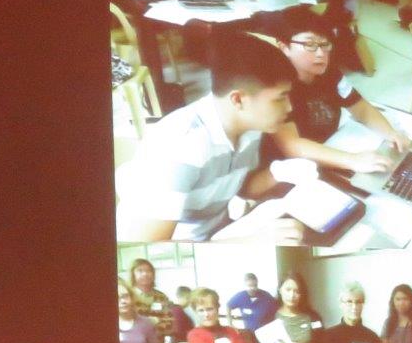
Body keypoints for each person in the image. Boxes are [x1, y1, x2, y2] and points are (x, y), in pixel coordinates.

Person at [115, 32, 303, 243]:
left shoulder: (250, 125)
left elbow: (240, 188)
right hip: (187, 245)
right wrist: (252, 240)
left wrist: (277, 173)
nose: (289, 107)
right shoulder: (180, 146)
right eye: (280, 98)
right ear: (238, 99)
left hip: (219, 233)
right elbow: (149, 247)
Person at [269, 12, 410, 173]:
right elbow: (292, 146)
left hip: (334, 145)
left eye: (325, 44)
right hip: (296, 168)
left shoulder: (330, 73)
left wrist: (390, 133)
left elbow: (361, 109)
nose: (321, 53)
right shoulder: (277, 87)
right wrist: (352, 160)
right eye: (310, 44)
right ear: (284, 47)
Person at [128, 258, 174, 339]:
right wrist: (151, 321)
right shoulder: (128, 296)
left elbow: (168, 321)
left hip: (158, 339)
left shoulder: (161, 296)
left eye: (149, 271)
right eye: (140, 271)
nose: (145, 274)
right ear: (132, 274)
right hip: (134, 339)